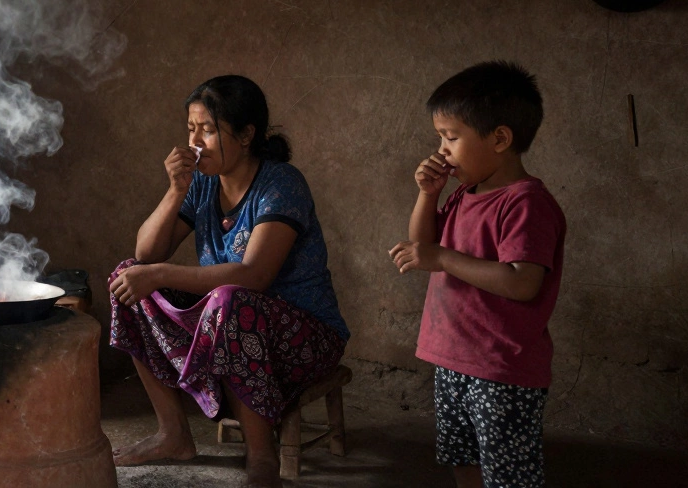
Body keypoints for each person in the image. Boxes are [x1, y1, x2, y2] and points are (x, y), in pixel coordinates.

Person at [108, 75, 349, 488]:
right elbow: (148, 254)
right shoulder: (201, 182)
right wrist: (174, 190)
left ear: (246, 134)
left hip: (304, 336)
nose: (195, 142)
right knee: (127, 277)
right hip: (227, 322)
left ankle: (261, 457)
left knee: (232, 301)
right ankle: (173, 433)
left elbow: (255, 275)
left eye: (208, 129)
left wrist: (161, 274)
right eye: (191, 129)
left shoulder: (281, 184)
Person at [389, 61, 566, 488]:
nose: (442, 150)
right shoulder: (465, 193)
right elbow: (423, 246)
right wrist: (427, 196)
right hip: (453, 360)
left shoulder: (526, 203)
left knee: (508, 476)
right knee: (463, 459)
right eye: (440, 138)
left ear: (500, 138)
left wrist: (444, 259)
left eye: (451, 137)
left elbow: (523, 282)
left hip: (501, 368)